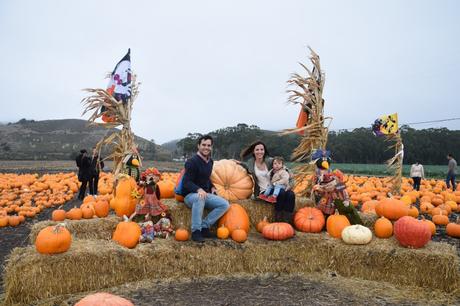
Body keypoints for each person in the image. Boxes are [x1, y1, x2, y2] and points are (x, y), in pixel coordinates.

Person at [182, 135, 230, 243]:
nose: (206, 147)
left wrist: (212, 186)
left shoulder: (210, 162)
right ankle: (196, 231)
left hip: (204, 195)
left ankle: (204, 227)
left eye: (209, 145)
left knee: (224, 204)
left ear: (211, 147)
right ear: (198, 146)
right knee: (200, 197)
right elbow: (186, 182)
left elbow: (206, 177)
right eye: (203, 145)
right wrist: (198, 189)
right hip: (190, 196)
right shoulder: (192, 162)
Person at [238, 141, 296, 223]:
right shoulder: (251, 163)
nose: (259, 151)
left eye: (262, 149)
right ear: (253, 151)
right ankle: (278, 219)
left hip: (276, 186)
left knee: (291, 194)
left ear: (264, 151)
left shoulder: (270, 161)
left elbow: (286, 170)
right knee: (281, 193)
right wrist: (239, 163)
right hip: (264, 191)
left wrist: (290, 185)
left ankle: (287, 221)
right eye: (257, 150)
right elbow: (246, 167)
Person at [311, 149, 362, 225]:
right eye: (322, 160)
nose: (325, 162)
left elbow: (341, 186)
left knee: (341, 205)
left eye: (326, 160)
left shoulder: (333, 173)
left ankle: (354, 221)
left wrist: (344, 197)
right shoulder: (317, 173)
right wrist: (320, 188)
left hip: (334, 195)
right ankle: (326, 222)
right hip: (325, 194)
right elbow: (317, 185)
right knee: (324, 208)